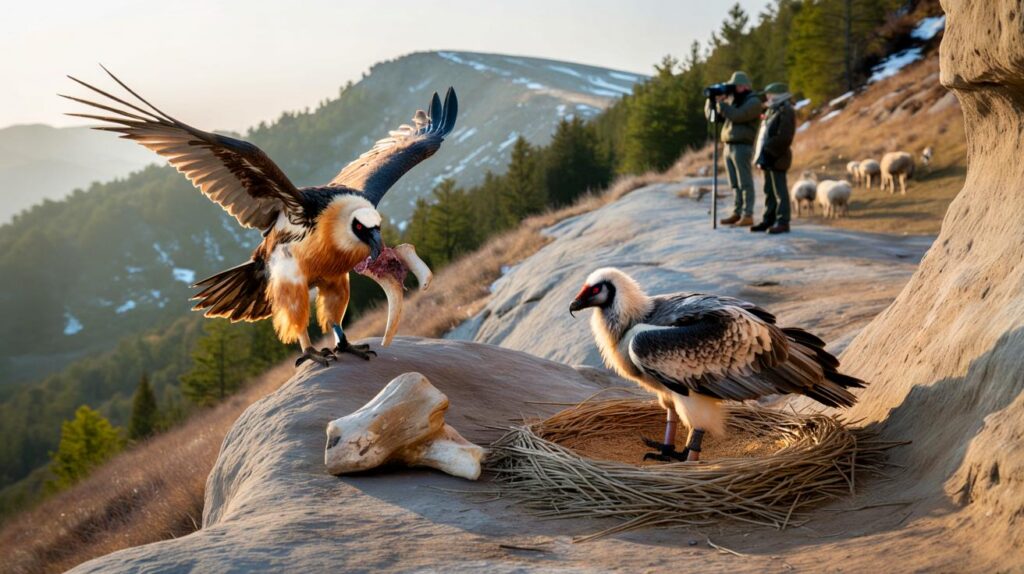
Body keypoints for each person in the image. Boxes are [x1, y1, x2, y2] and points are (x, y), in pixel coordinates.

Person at [706, 71, 762, 227]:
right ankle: (737, 212)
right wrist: (712, 101)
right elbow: (713, 118)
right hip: (728, 145)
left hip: (742, 146)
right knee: (734, 183)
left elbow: (738, 116)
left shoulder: (753, 102)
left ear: (744, 86)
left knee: (745, 182)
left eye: (734, 86)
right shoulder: (733, 102)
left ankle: (747, 214)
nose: (732, 90)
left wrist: (723, 104)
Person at [752, 82, 797, 234]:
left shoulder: (786, 110)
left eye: (769, 94)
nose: (767, 97)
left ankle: (783, 221)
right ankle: (768, 219)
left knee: (780, 190)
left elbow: (785, 137)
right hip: (767, 155)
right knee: (768, 190)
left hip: (778, 156)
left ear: (778, 94)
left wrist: (769, 150)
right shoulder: (772, 109)